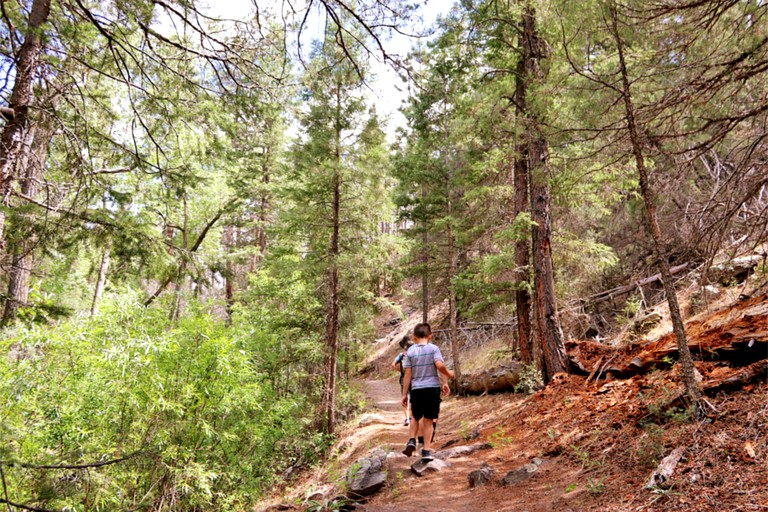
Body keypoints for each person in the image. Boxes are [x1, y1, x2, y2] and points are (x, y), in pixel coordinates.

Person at [401, 322, 454, 463]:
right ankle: (426, 451)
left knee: (415, 417)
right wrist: (446, 380)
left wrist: (404, 394)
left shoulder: (410, 352)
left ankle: (412, 440)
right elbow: (440, 366)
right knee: (429, 420)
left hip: (417, 389)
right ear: (430, 335)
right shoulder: (434, 349)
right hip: (432, 389)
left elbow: (407, 375)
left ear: (414, 337)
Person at [391, 336, 412, 426]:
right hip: (415, 379)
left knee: (405, 398)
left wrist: (401, 371)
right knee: (413, 399)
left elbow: (393, 365)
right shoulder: (416, 354)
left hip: (404, 379)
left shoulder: (401, 355)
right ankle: (411, 417)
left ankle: (406, 418)